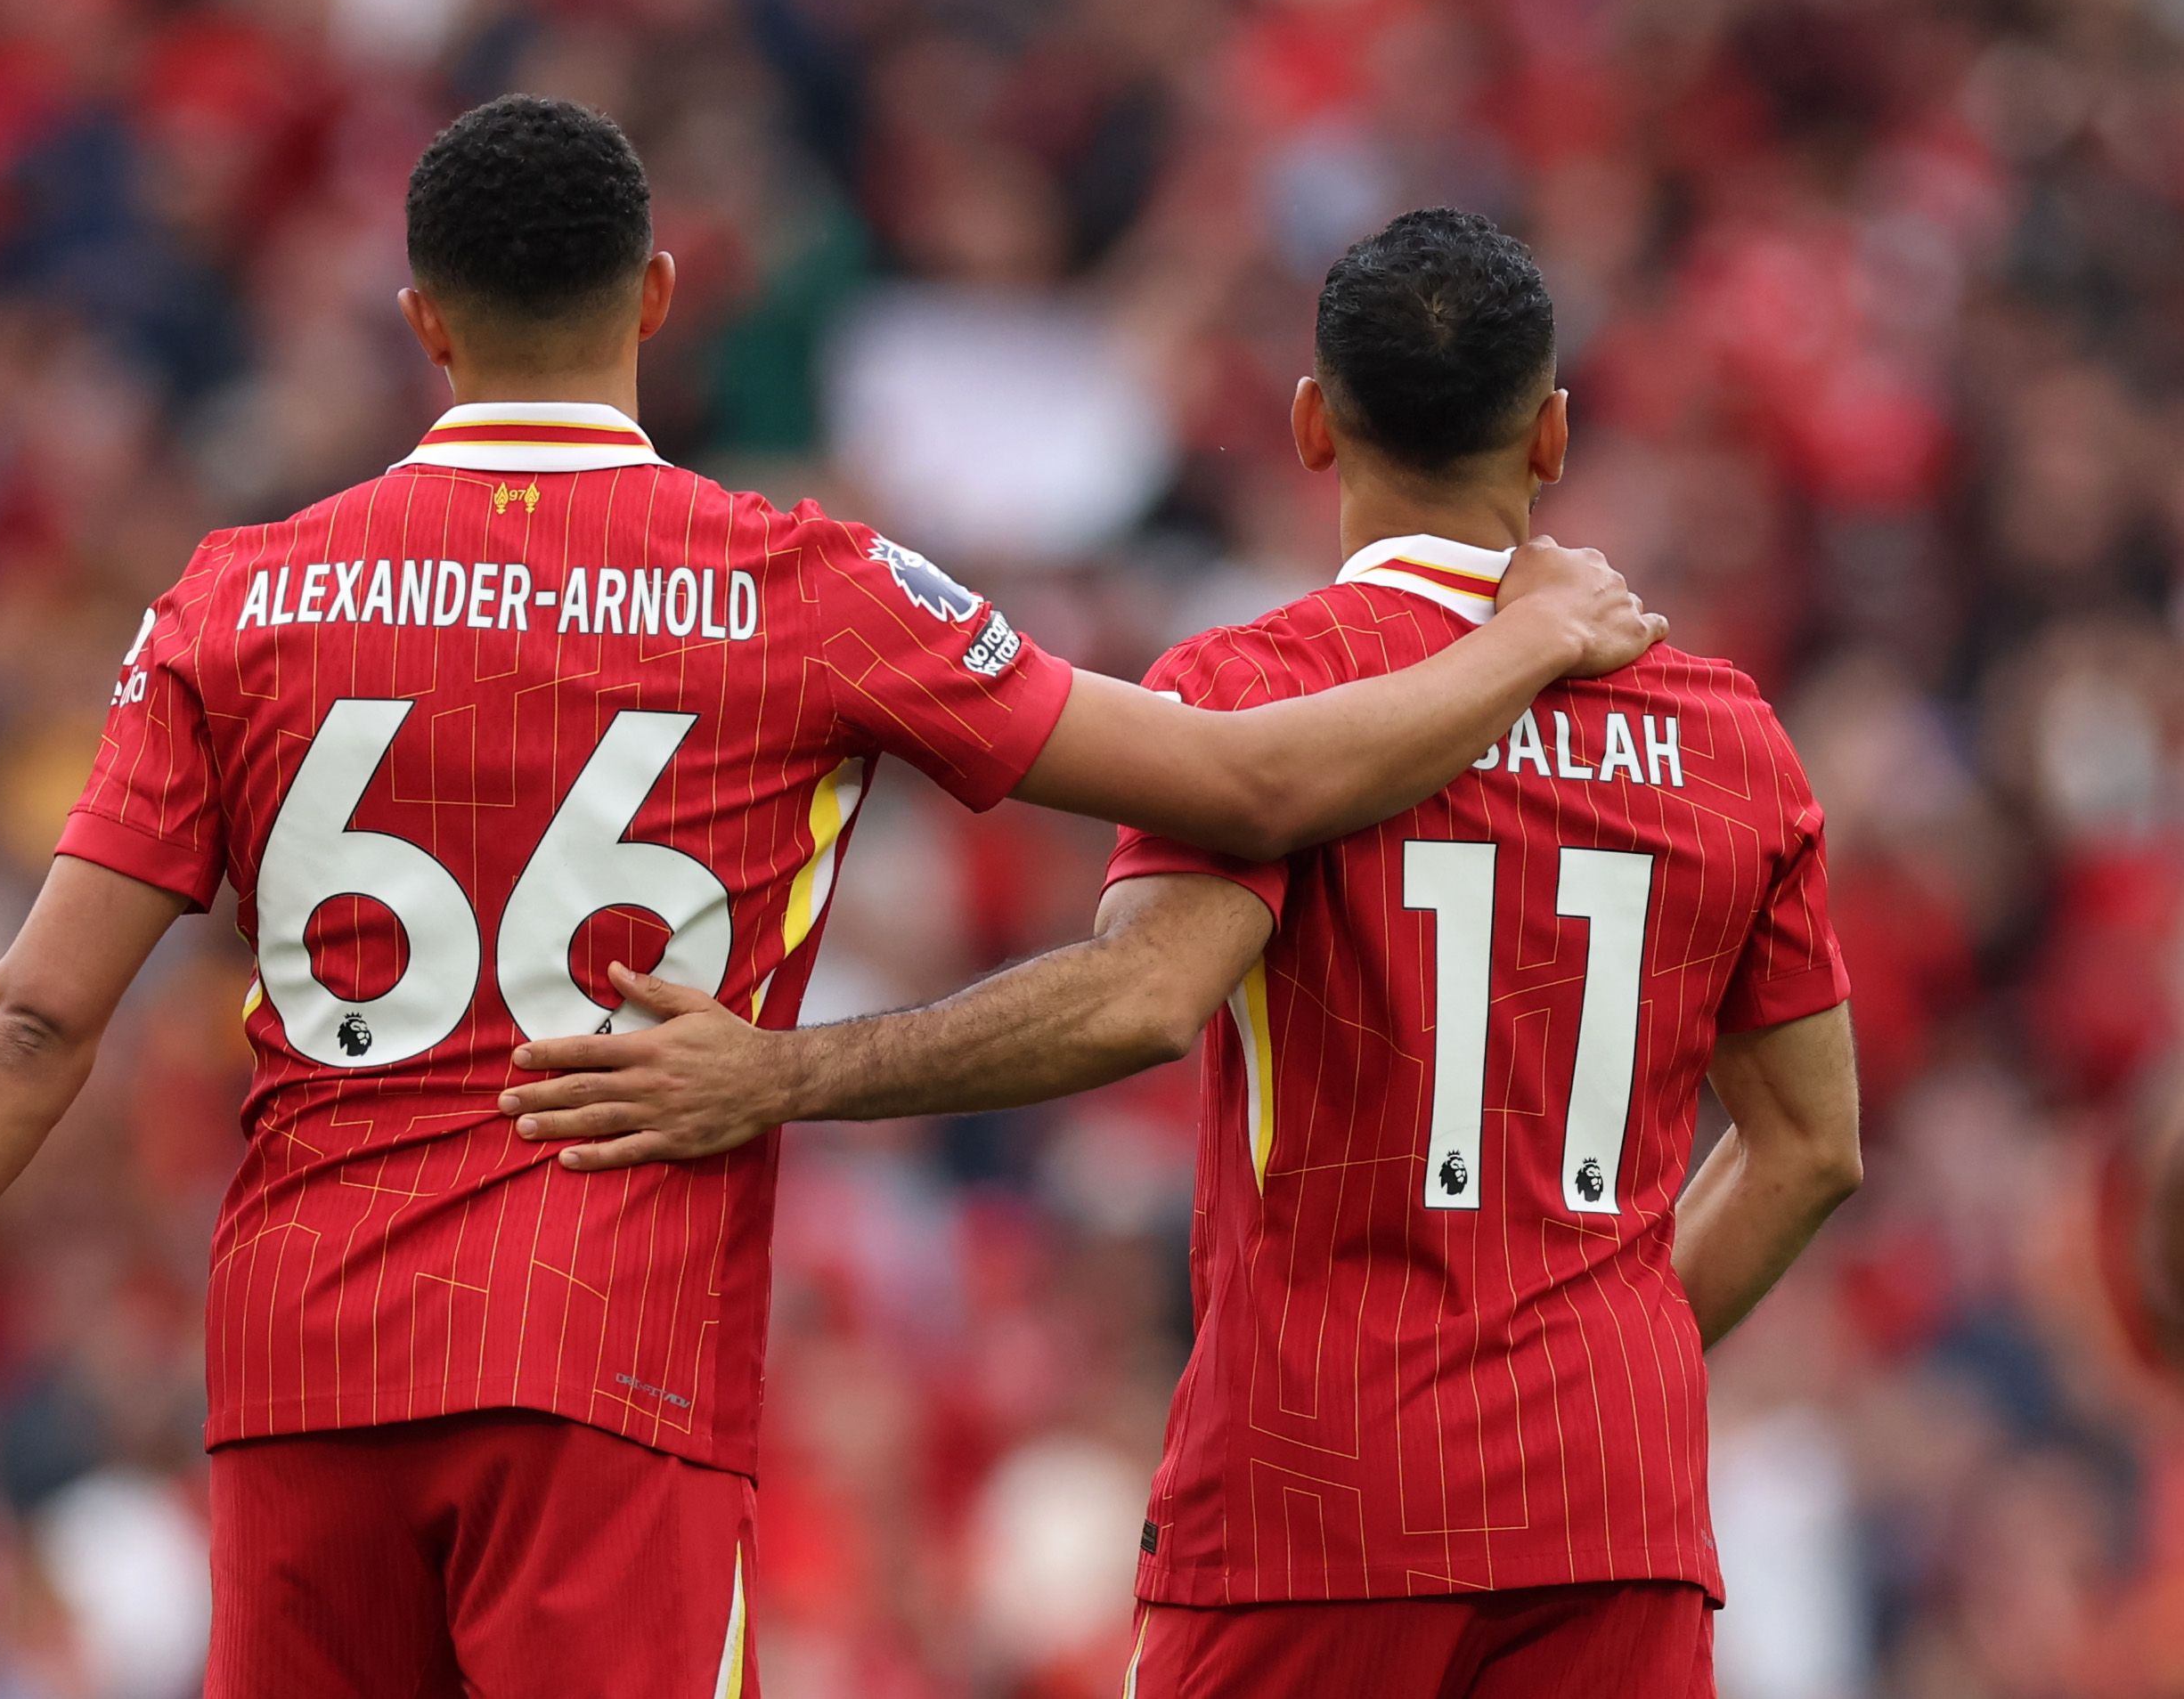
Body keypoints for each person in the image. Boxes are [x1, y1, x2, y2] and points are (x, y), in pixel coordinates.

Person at [0, 106, 1662, 1697]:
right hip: (601, 1360)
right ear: (657, 296)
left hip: (299, 1369)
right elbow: (1250, 778)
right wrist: (1524, 636)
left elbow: (32, 1017)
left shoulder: (243, 593)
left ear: (424, 320)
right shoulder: (798, 580)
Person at [503, 209, 1861, 1697]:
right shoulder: (1733, 742)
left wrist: (787, 1073)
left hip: (1317, 1492)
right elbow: (1809, 1148)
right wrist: (1612, 1360)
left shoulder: (1256, 693)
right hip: (1616, 1504)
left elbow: (1144, 999)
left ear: (1307, 426)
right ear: (1549, 437)